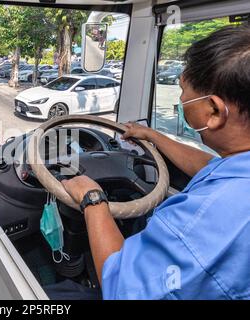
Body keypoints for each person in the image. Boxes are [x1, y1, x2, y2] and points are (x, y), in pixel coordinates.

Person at [57, 25, 250, 299]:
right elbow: (211, 168)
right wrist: (151, 135)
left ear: (215, 111)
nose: (181, 99)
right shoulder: (238, 171)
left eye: (183, 90)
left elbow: (120, 286)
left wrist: (92, 200)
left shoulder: (199, 223)